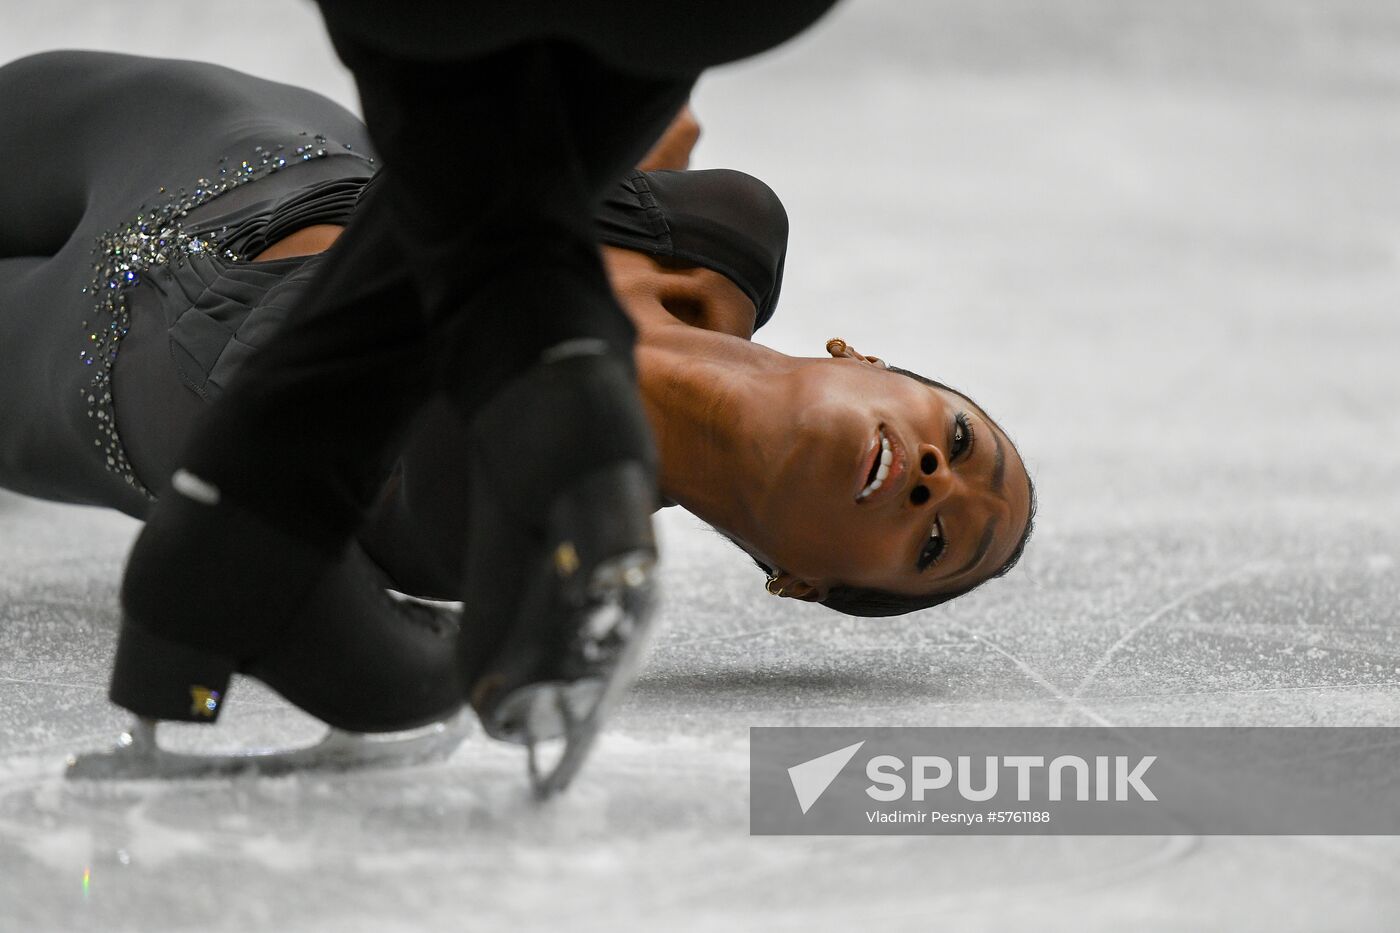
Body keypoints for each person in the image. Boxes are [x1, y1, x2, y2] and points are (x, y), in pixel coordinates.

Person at [0, 49, 1032, 787]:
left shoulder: (503, 533)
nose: (934, 482)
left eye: (934, 538)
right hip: (216, 140)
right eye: (956, 440)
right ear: (869, 361)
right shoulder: (722, 230)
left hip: (71, 372)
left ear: (799, 579)